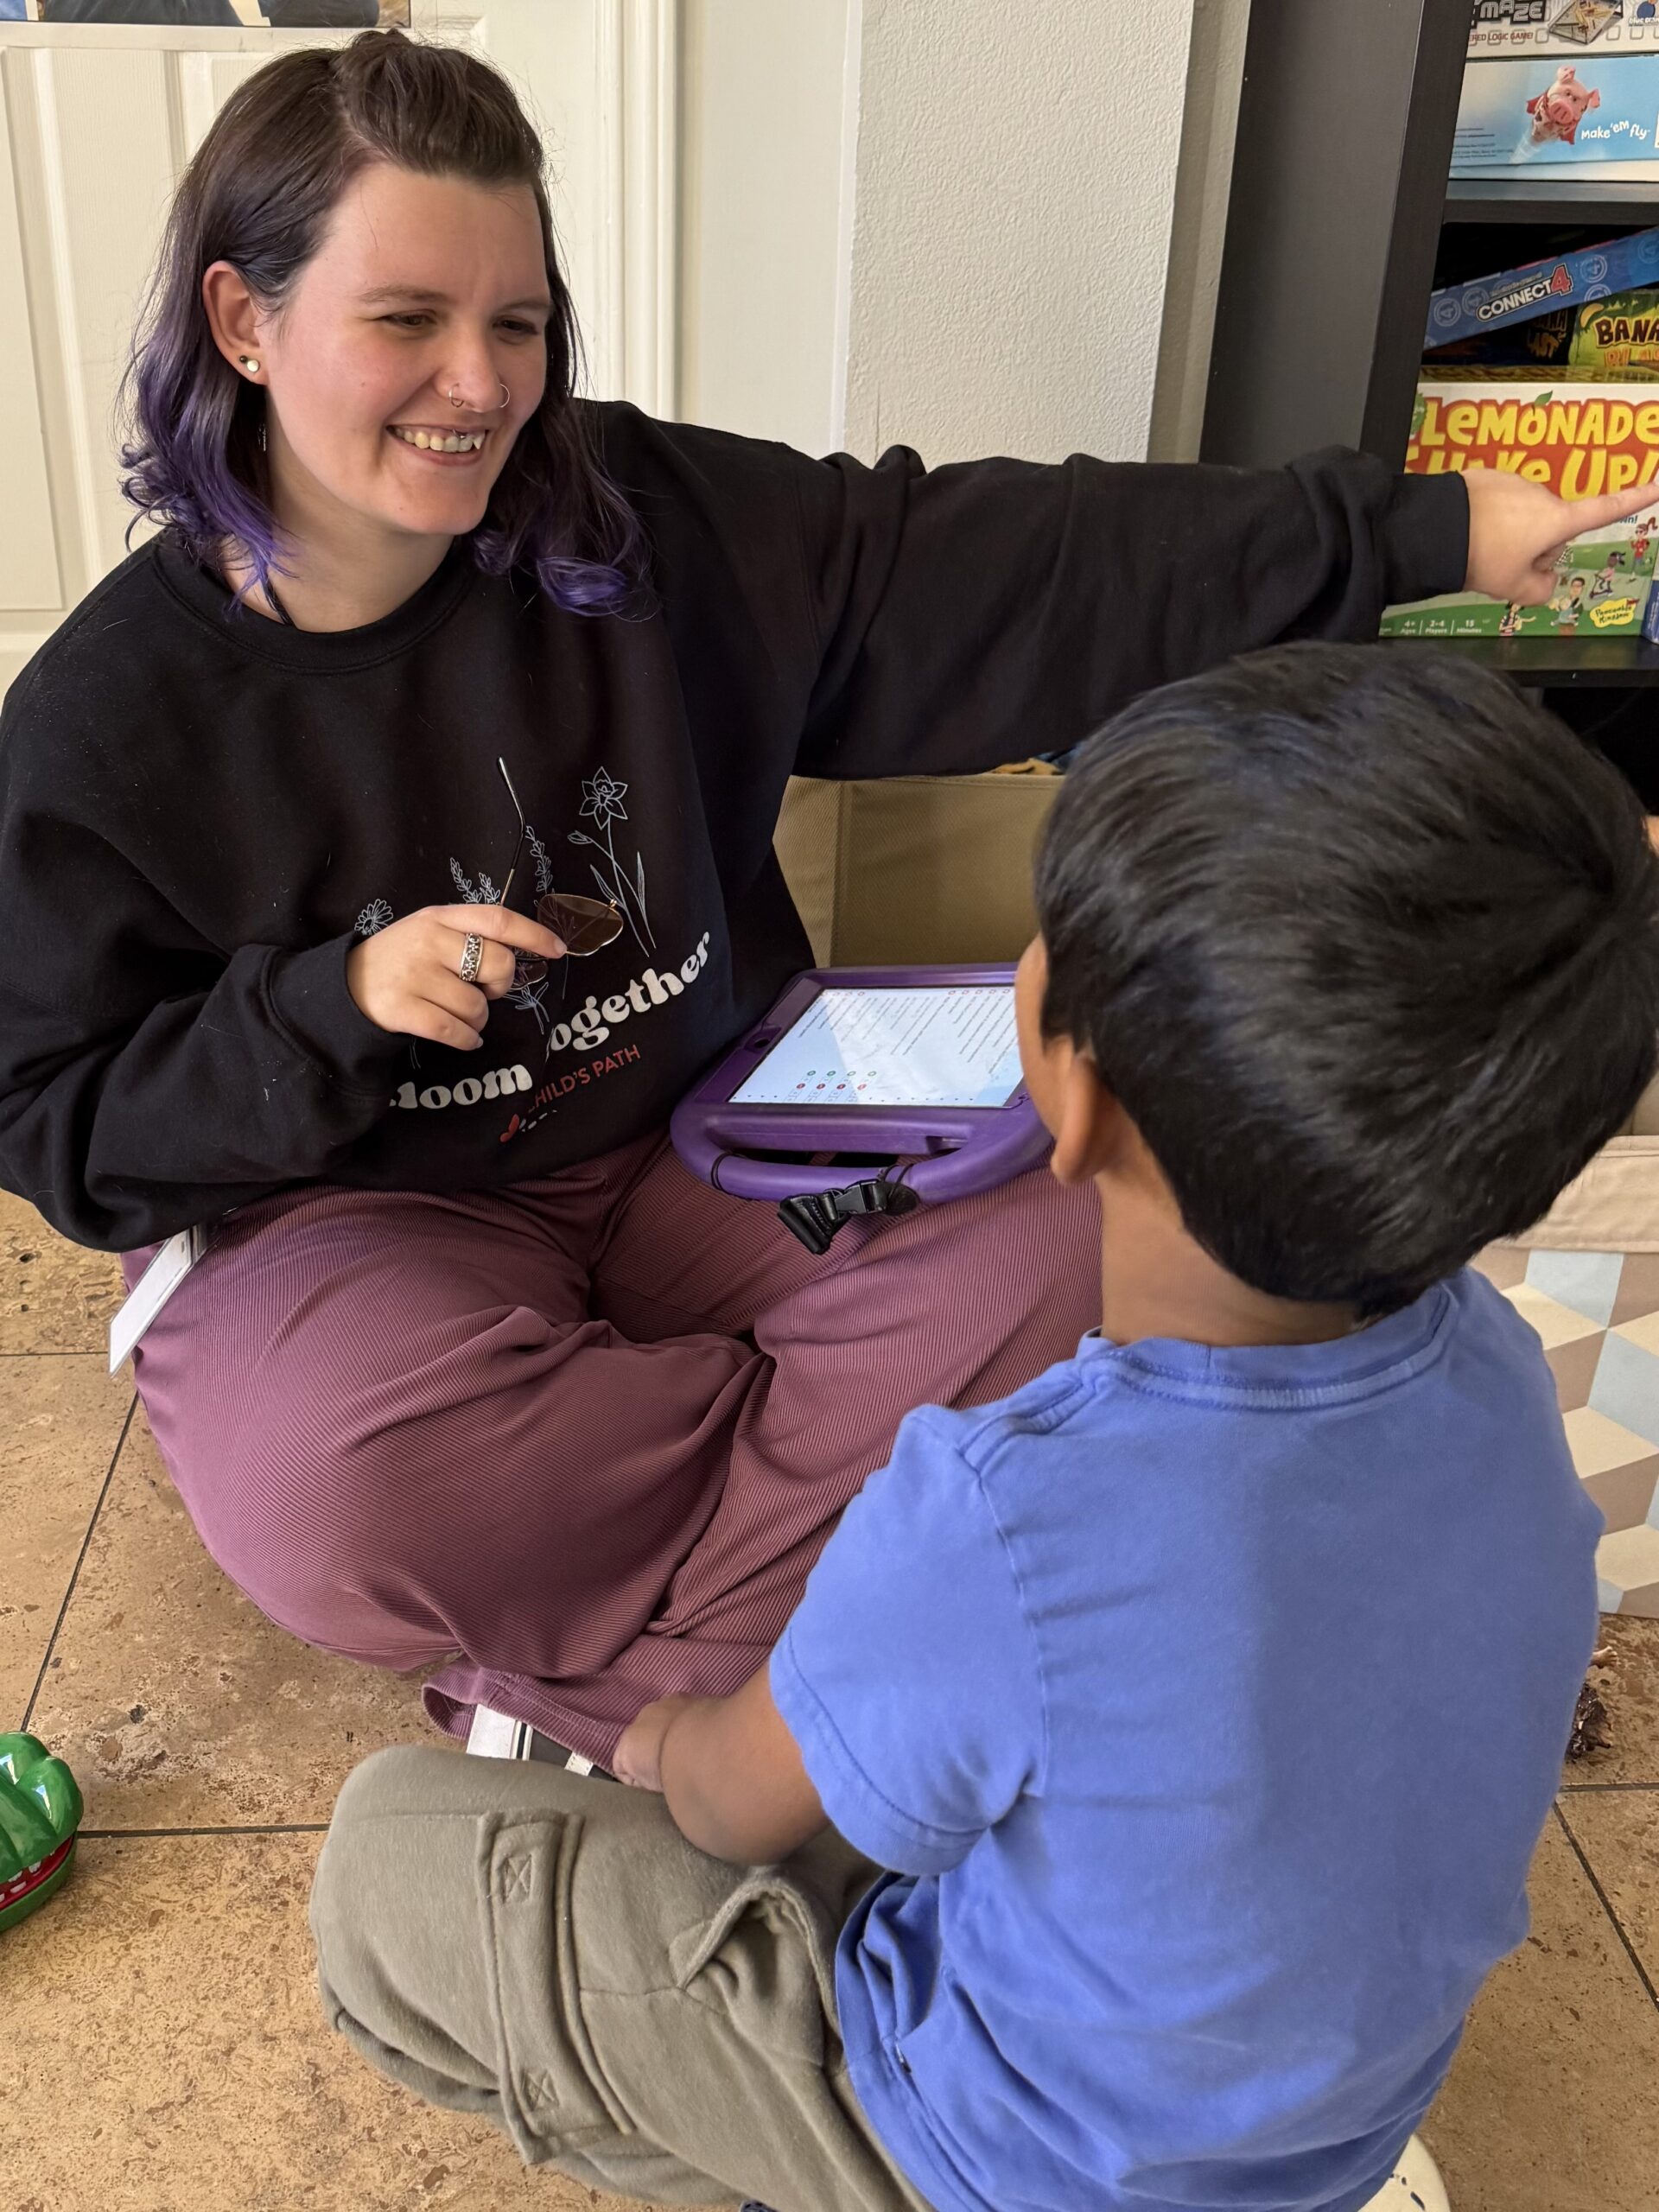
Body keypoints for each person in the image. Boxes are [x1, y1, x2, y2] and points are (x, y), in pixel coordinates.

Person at [0, 33, 1640, 1768]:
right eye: (406, 319)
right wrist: (323, 1008)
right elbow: (56, 1124)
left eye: (522, 321)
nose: (479, 383)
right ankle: (831, 1606)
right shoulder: (105, 723)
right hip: (375, 1221)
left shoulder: (645, 519)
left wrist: (1425, 527)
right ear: (244, 322)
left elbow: (1030, 565)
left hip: (716, 1134)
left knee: (1135, 1225)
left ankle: (622, 1690)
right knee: (341, 1479)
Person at [311, 644, 1659, 2212]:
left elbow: (730, 1801)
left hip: (1006, 2164)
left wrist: (651, 1734)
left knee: (386, 1863)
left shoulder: (1007, 1509)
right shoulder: (1503, 1378)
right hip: (1323, 2123)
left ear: (1066, 1100)